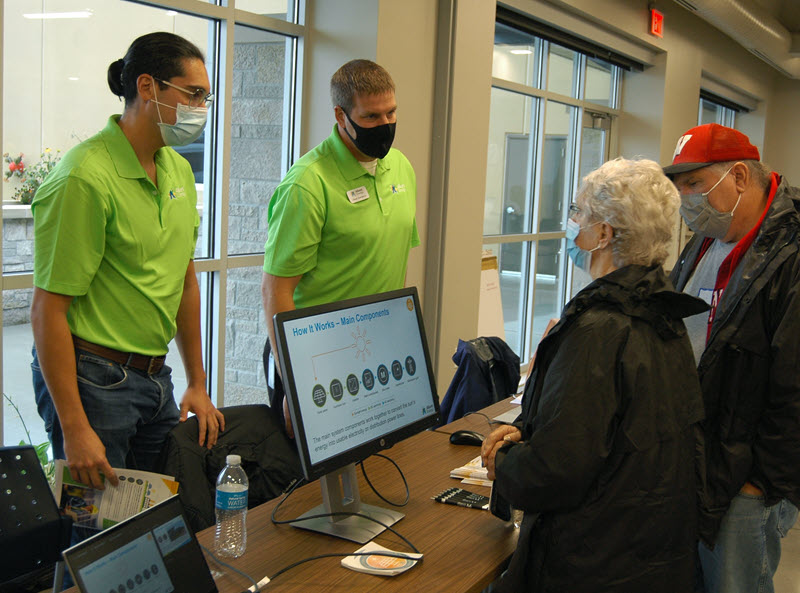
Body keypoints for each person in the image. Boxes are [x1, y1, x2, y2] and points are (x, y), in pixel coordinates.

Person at [481, 157, 707, 592]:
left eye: (578, 212)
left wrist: (501, 462)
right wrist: (531, 430)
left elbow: (554, 473)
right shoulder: (664, 314)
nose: (571, 222)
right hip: (644, 554)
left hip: (590, 562)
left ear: (603, 234)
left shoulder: (599, 329)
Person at [31, 32, 225, 490]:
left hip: (155, 379)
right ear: (147, 87)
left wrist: (197, 381)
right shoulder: (84, 178)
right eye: (194, 93)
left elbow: (184, 281)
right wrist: (76, 429)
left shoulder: (176, 168)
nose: (202, 106)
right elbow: (47, 310)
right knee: (94, 534)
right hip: (93, 382)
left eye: (206, 96)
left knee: (156, 523)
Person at [664, 123, 800, 593]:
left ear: (740, 177)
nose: (686, 200)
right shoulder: (707, 234)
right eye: (680, 187)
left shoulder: (791, 251)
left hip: (747, 477)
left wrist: (763, 483)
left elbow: (795, 383)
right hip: (698, 457)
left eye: (695, 184)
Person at [261, 59, 419, 436]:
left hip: (376, 348)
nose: (385, 125)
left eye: (391, 112)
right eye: (370, 116)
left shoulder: (400, 167)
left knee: (375, 466)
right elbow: (275, 290)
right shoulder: (307, 184)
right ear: (340, 115)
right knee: (309, 484)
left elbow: (392, 260)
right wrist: (295, 381)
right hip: (316, 357)